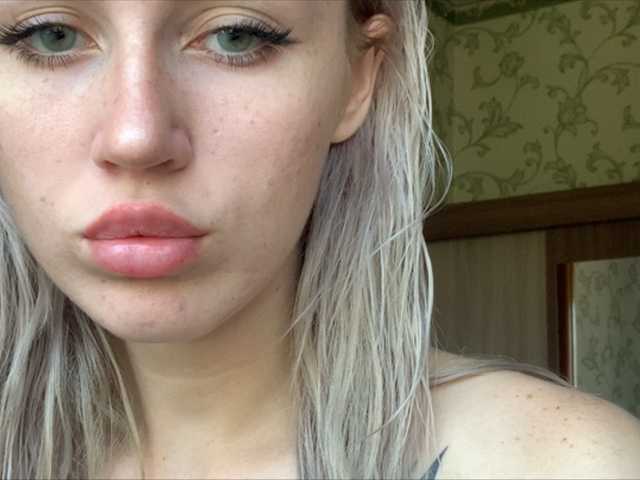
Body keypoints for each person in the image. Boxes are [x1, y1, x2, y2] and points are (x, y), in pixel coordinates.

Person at [0, 1, 638, 478]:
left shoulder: (572, 464)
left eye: (236, 34)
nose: (136, 137)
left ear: (358, 79)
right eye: (50, 35)